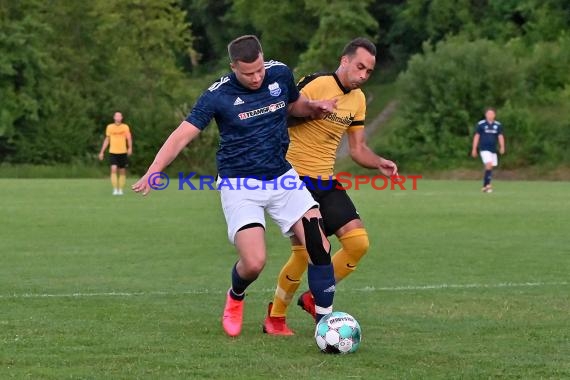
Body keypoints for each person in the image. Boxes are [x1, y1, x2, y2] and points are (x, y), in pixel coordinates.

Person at [132, 35, 338, 337]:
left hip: (282, 178)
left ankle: (326, 324)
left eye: (258, 71)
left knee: (319, 245)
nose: (255, 78)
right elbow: (181, 135)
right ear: (233, 67)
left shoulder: (280, 73)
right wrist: (154, 170)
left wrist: (313, 106)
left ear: (263, 59)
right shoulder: (218, 95)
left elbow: (293, 105)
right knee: (254, 263)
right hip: (240, 184)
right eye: (247, 73)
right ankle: (236, 295)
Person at [263, 38, 398, 335]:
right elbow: (279, 116)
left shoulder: (359, 100)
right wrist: (311, 110)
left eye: (369, 71)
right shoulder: (315, 83)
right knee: (305, 253)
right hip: (295, 181)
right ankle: (275, 316)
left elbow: (358, 149)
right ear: (345, 60)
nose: (363, 74)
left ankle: (314, 296)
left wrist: (378, 162)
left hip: (325, 180)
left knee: (358, 243)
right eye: (360, 66)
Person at [471, 108, 505, 193]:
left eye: (492, 114)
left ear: (494, 115)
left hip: (493, 149)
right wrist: (474, 148)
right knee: (489, 164)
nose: (490, 115)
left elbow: (500, 136)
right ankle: (488, 185)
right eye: (488, 114)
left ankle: (485, 186)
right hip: (484, 148)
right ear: (486, 115)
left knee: (490, 167)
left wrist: (502, 146)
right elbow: (477, 136)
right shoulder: (481, 124)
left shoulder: (498, 125)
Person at [98, 112, 132, 195]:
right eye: (116, 116)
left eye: (119, 115)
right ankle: (115, 189)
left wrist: (130, 148)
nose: (118, 117)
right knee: (113, 169)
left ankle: (120, 189)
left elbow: (129, 138)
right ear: (114, 117)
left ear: (122, 117)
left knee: (122, 171)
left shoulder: (125, 127)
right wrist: (102, 151)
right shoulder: (110, 127)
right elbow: (107, 139)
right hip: (113, 151)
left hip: (123, 152)